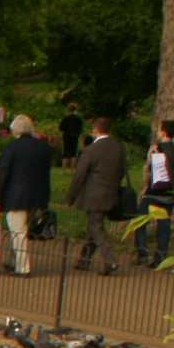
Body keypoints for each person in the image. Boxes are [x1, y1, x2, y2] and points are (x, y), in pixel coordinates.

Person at [0, 114, 52, 277]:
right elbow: (46, 174)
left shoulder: (12, 148)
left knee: (18, 232)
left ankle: (23, 267)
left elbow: (3, 174)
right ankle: (14, 261)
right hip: (38, 196)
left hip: (16, 196)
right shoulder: (44, 148)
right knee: (21, 232)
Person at [67, 114, 125, 274]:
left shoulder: (90, 150)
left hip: (93, 195)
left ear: (95, 130)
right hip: (111, 192)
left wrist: (71, 196)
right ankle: (84, 259)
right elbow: (122, 171)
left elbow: (79, 175)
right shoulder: (118, 147)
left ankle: (111, 260)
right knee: (93, 226)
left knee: (95, 227)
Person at [134, 118, 174, 266]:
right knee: (164, 225)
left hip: (153, 193)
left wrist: (144, 188)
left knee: (140, 221)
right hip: (170, 194)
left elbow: (149, 171)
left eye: (159, 129)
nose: (158, 132)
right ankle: (160, 256)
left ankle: (142, 252)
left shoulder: (156, 149)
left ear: (164, 132)